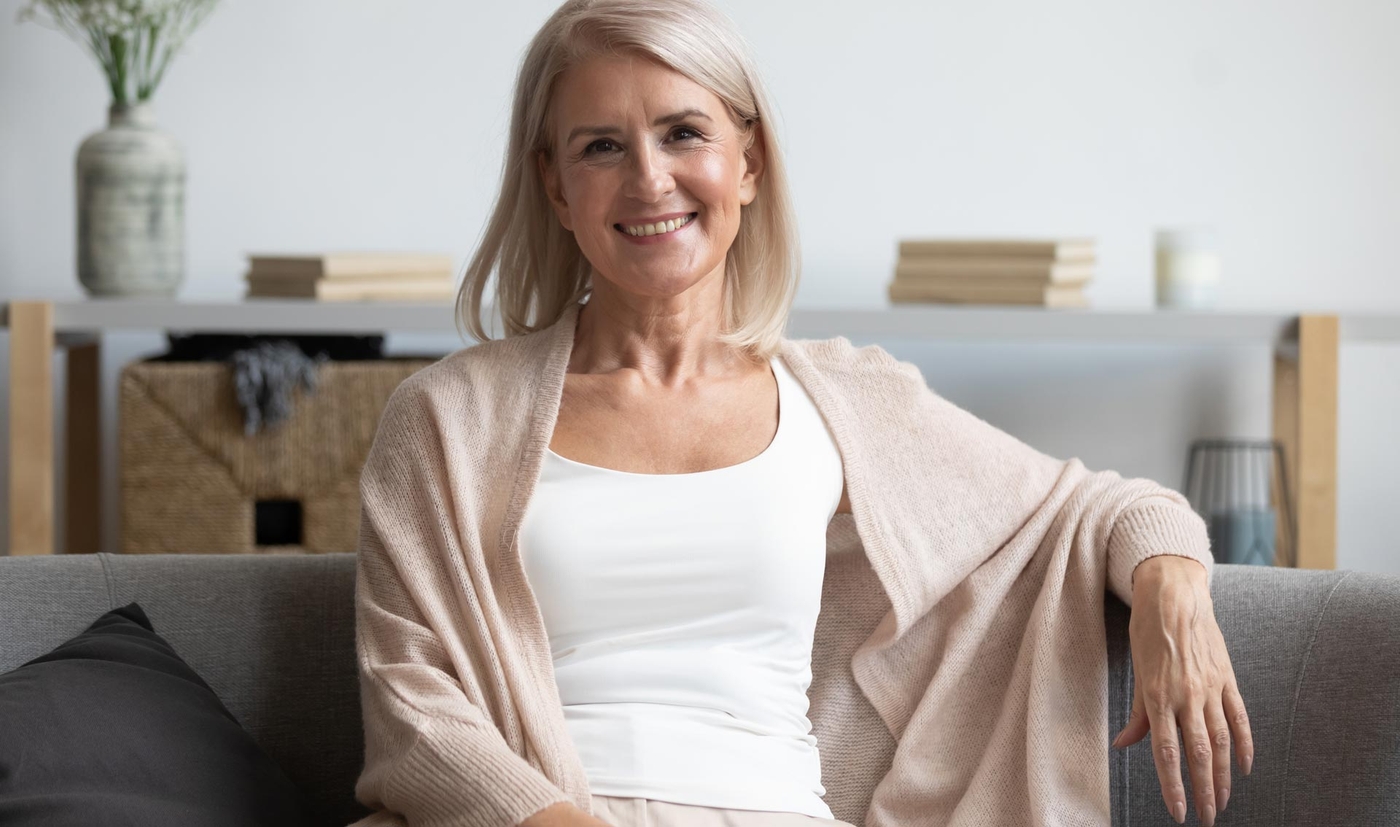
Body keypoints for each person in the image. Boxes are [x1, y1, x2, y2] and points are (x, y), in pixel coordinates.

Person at [352, 1, 1252, 826]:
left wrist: (1172, 585)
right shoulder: (447, 418)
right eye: (601, 147)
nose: (650, 179)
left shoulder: (843, 399)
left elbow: (1091, 509)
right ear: (555, 186)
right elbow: (412, 702)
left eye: (683, 133)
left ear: (749, 163)